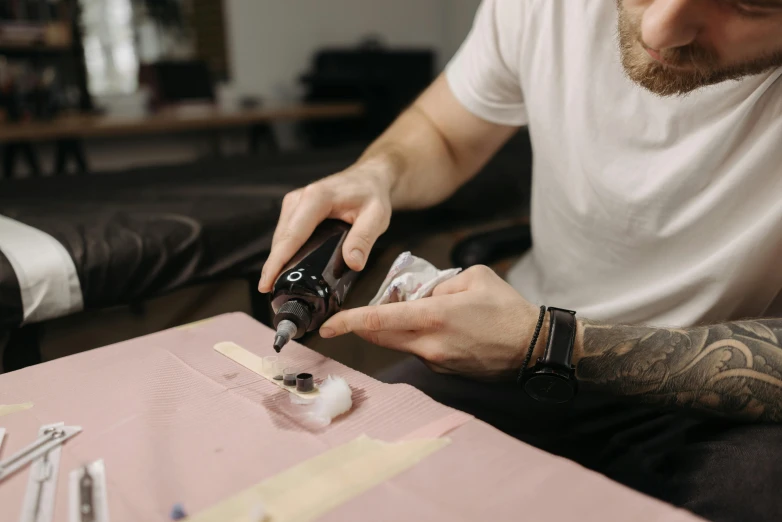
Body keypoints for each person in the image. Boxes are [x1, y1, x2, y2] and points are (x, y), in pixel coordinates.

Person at [260, 1, 782, 520]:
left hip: (711, 400)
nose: (660, 28)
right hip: (510, 356)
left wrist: (546, 343)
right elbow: (442, 135)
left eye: (748, 4)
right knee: (333, 469)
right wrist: (379, 172)